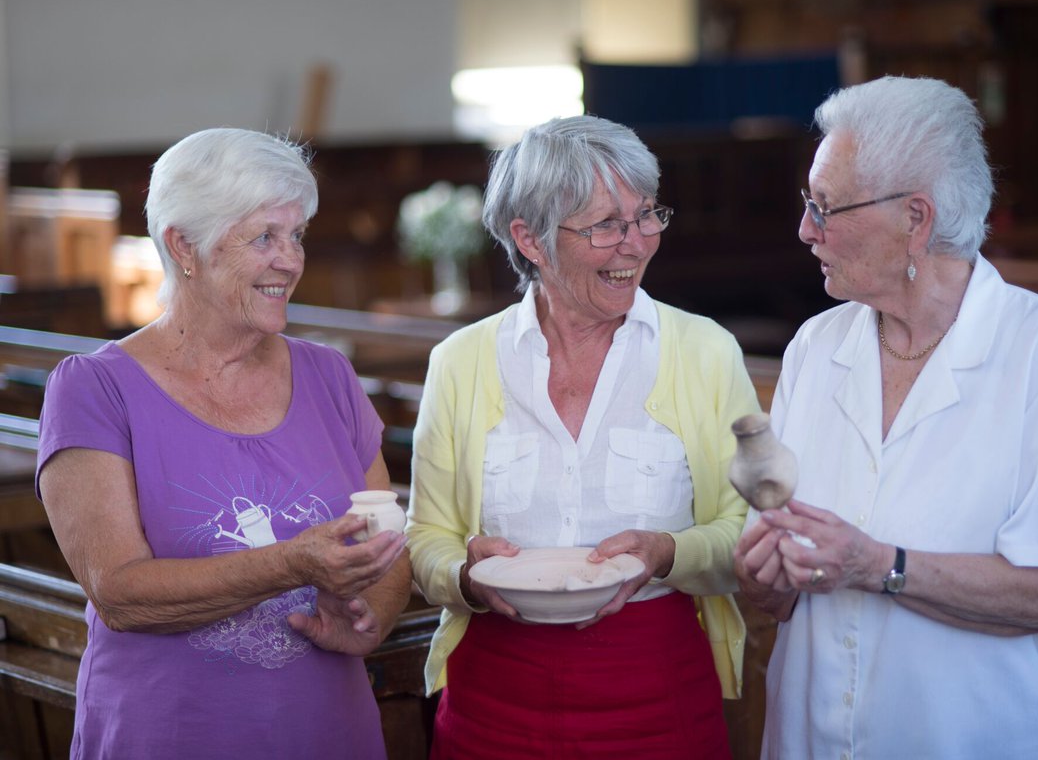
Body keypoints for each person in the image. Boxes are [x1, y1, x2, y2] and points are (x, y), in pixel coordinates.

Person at [734, 76, 1038, 760]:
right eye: (807, 203)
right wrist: (764, 577)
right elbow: (779, 590)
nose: (804, 229)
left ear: (916, 218)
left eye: (825, 207)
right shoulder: (815, 349)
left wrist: (880, 563)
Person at [37, 128, 411, 758]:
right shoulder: (96, 390)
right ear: (185, 245)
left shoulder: (328, 375)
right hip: (172, 734)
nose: (290, 260)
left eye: (296, 236)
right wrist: (291, 564)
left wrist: (371, 615)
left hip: (327, 731)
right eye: (264, 236)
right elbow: (120, 593)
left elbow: (386, 542)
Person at [405, 114, 761, 759]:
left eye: (647, 215)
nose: (636, 243)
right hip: (495, 702)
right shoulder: (460, 362)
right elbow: (425, 539)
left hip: (657, 692)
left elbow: (749, 531)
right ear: (531, 240)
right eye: (605, 225)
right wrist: (464, 573)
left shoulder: (706, 351)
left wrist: (667, 551)